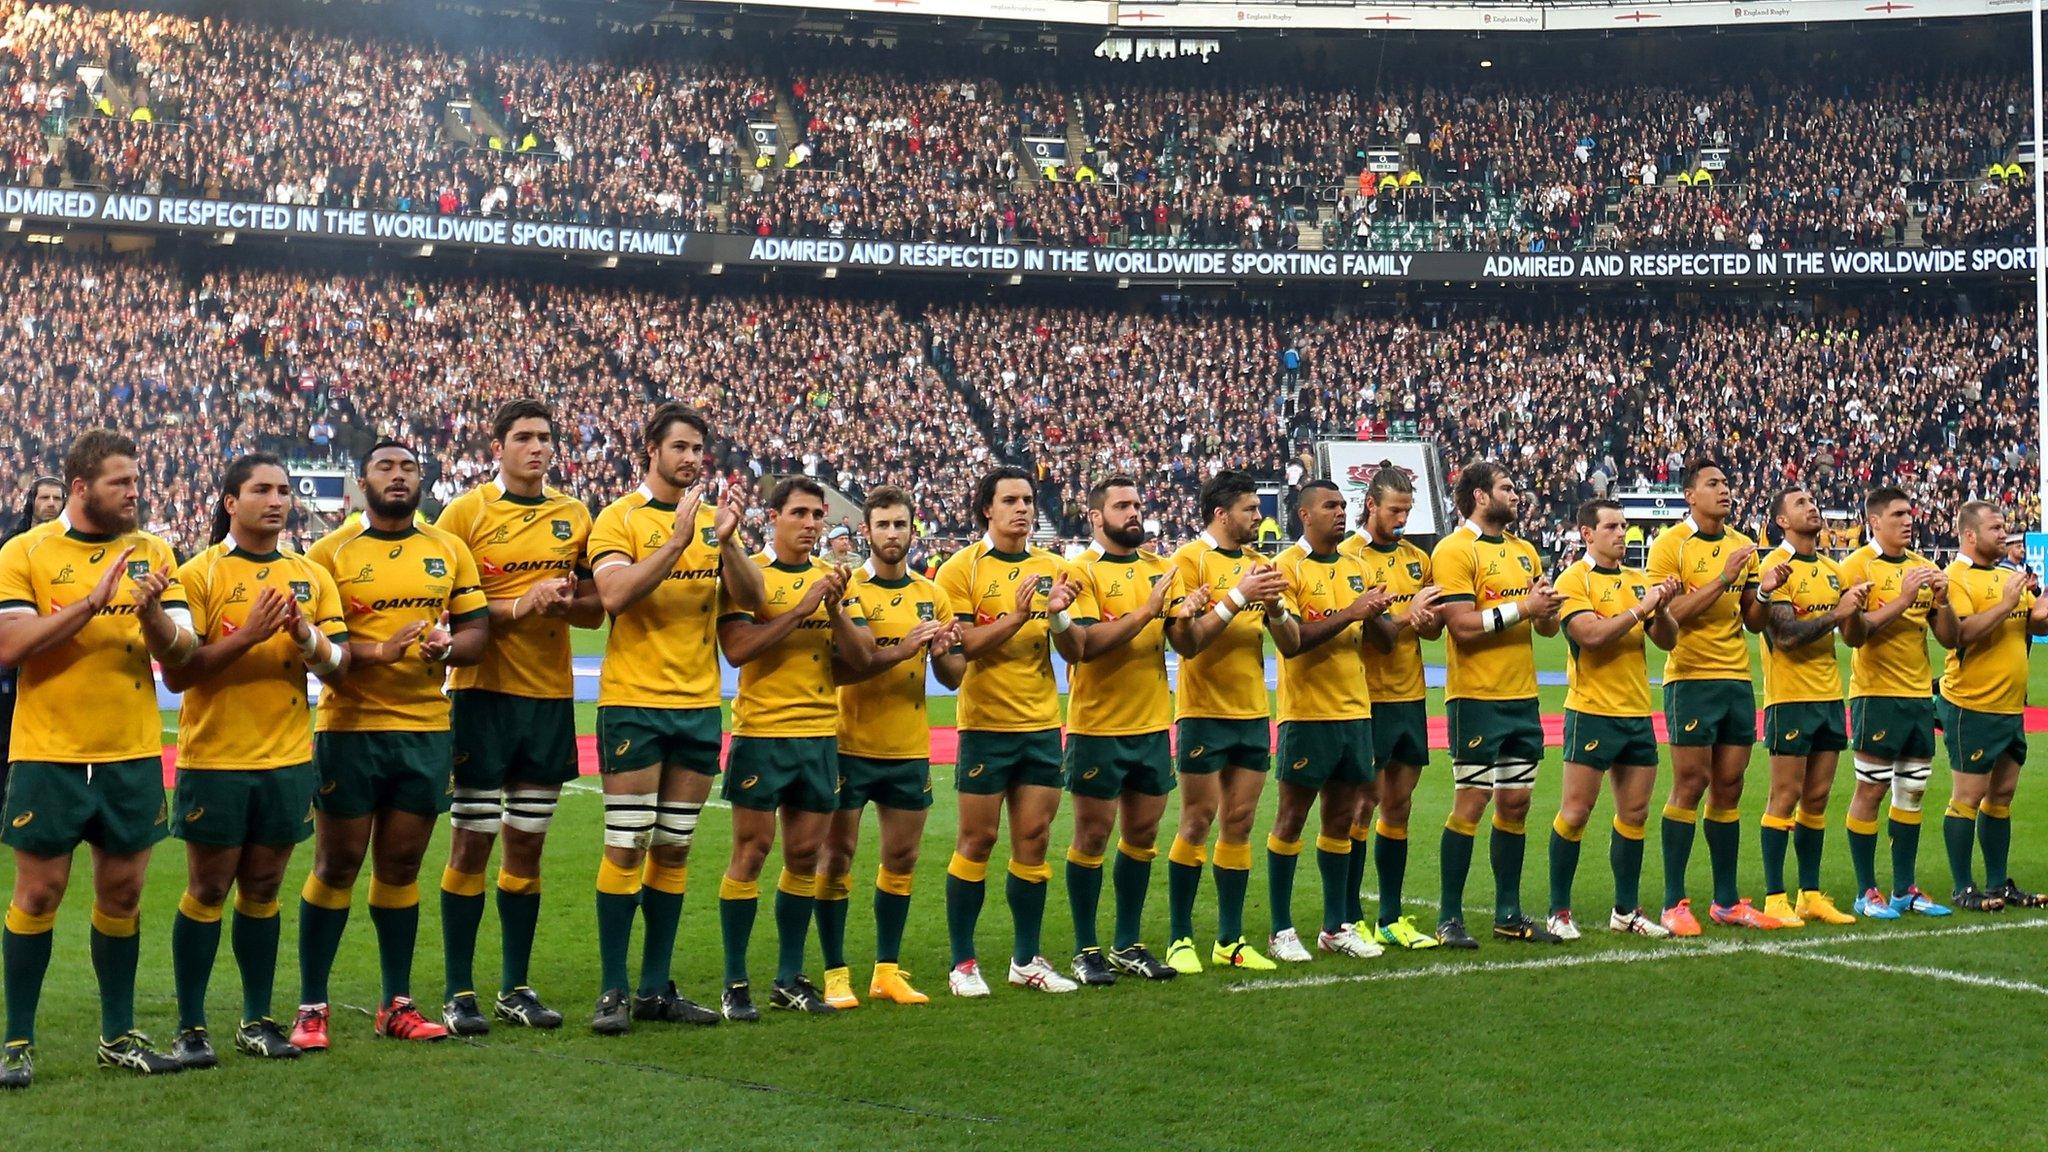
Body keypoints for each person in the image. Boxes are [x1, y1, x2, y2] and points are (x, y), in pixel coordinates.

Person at [0, 430, 198, 1086]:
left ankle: (117, 1035)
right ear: (81, 487)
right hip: (48, 753)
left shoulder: (156, 552)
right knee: (39, 891)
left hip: (132, 752)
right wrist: (90, 602)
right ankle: (16, 1041)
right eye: (121, 482)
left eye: (136, 481)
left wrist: (152, 621)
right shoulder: (25, 551)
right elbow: (11, 646)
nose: (135, 492)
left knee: (124, 892)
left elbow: (182, 660)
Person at [292, 440, 489, 1050]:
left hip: (425, 728)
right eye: (385, 467)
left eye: (408, 467)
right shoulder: (329, 554)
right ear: (362, 481)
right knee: (336, 864)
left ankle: (395, 1004)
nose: (398, 477)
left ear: (421, 479)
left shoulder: (448, 550)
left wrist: (448, 649)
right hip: (350, 731)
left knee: (401, 867)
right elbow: (327, 658)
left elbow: (477, 631)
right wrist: (382, 652)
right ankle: (312, 1006)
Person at [161, 455, 349, 1066]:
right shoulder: (198, 574)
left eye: (284, 490)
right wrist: (247, 635)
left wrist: (302, 636)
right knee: (208, 887)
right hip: (216, 758)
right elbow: (180, 673)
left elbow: (338, 667)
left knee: (264, 887)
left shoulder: (309, 574)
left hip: (289, 757)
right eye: (261, 490)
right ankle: (191, 1027)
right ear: (229, 502)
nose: (276, 500)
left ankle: (256, 1019)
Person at [586, 403, 760, 1034]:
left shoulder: (714, 523)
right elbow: (614, 595)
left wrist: (729, 542)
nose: (691, 459)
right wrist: (678, 542)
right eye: (679, 447)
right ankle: (612, 989)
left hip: (696, 707)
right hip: (634, 701)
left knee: (674, 848)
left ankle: (656, 989)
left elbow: (754, 601)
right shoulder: (618, 518)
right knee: (628, 844)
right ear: (650, 450)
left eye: (697, 450)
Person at [433, 400, 603, 1035]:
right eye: (524, 438)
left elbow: (593, 612)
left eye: (545, 437)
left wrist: (559, 606)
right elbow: (452, 614)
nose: (537, 448)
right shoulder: (465, 514)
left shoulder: (574, 516)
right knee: (472, 841)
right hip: (481, 695)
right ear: (496, 447)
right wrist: (516, 607)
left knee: (527, 845)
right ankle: (458, 990)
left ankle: (515, 986)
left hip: (549, 699)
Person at [715, 477, 880, 1018]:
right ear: (774, 517)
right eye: (800, 513)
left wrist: (830, 609)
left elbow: (862, 657)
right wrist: (801, 607)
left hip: (819, 736)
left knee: (804, 857)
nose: (811, 524)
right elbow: (738, 650)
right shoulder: (747, 576)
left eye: (817, 515)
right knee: (751, 853)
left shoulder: (833, 581)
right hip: (762, 733)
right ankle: (736, 982)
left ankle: (789, 976)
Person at [933, 466, 1093, 996]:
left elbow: (1076, 652)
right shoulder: (960, 569)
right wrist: (1019, 615)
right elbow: (959, 652)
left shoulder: (1054, 566)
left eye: (1027, 500)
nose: (1023, 509)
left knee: (1034, 840)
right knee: (976, 840)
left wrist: (1062, 619)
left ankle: (1026, 959)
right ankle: (963, 964)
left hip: (1042, 724)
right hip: (985, 726)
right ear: (987, 509)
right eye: (1010, 501)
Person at [815, 486, 964, 1007]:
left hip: (907, 746)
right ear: (868, 532)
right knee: (837, 857)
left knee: (901, 858)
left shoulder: (933, 594)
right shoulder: (848, 591)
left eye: (901, 524)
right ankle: (836, 973)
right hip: (849, 743)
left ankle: (887, 970)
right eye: (883, 525)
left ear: (911, 529)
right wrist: (903, 647)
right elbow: (856, 660)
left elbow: (953, 677)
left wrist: (944, 651)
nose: (893, 534)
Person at [1061, 476, 1202, 985]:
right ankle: (1084, 947)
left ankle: (1127, 942)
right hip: (1098, 724)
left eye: (1138, 503)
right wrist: (1148, 610)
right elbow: (1086, 643)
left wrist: (1187, 615)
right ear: (1096, 516)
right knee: (1093, 835)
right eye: (1122, 505)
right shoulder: (1080, 571)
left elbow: (1185, 644)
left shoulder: (1164, 569)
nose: (1134, 512)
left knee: (1141, 836)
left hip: (1149, 723)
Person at [1159, 471, 1298, 973]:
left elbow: (1290, 645)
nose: (1258, 517)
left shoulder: (1261, 566)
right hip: (1202, 712)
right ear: (1221, 514)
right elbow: (1188, 642)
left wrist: (1278, 610)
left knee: (1238, 823)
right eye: (1249, 509)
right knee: (1197, 820)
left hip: (1251, 712)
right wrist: (1237, 596)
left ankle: (1230, 939)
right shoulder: (1187, 561)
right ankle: (1179, 938)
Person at [1431, 461, 1561, 948]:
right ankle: (1448, 917)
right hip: (1476, 697)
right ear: (1480, 497)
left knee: (1517, 802)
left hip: (1522, 696)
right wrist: (1524, 607)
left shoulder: (1526, 552)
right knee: (1472, 800)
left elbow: (1544, 626)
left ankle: (1508, 912)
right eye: (1507, 488)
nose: (1517, 494)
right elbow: (1462, 627)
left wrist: (1545, 608)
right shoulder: (1453, 551)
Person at [1644, 461, 1774, 934]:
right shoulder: (1668, 546)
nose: (1724, 490)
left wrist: (1764, 592)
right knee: (1691, 783)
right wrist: (1722, 578)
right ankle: (1673, 902)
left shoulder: (1743, 545)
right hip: (1691, 678)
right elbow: (1667, 617)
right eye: (1713, 484)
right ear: (1689, 496)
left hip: (1737, 679)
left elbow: (1752, 619)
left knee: (1730, 785)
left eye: (1726, 483)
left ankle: (1724, 900)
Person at [1266, 480, 1391, 962]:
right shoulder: (1285, 568)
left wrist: (1379, 612)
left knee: (1340, 819)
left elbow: (1382, 640)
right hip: (1307, 714)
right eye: (1330, 506)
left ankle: (1335, 925)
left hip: (1355, 712)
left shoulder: (1358, 567)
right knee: (1292, 817)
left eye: (1343, 505)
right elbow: (1292, 641)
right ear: (1304, 515)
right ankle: (1280, 929)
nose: (1341, 513)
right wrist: (1352, 612)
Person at [1546, 499, 1679, 940]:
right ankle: (1558, 911)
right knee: (1577, 811)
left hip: (1637, 711)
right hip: (1591, 711)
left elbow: (1667, 640)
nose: (1622, 533)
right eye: (1611, 527)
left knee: (1635, 813)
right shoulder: (1573, 579)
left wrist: (1661, 608)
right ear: (1587, 534)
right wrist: (1643, 609)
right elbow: (1592, 636)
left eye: (1624, 526)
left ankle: (1626, 910)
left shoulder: (1639, 581)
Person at [1753, 486, 1868, 928]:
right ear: (1782, 520)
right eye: (1799, 503)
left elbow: (1851, 635)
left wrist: (1854, 611)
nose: (1812, 506)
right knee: (1784, 796)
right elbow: (1784, 636)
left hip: (1827, 696)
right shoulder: (1773, 569)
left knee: (1816, 799)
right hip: (1789, 698)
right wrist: (1840, 613)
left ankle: (1810, 894)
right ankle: (1774, 897)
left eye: (1812, 501)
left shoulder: (1834, 569)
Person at [1339, 464, 1443, 951]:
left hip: (1410, 695)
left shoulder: (1417, 558)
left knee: (1399, 806)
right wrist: (1406, 615)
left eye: (1407, 509)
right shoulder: (1347, 557)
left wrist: (1424, 620)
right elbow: (1370, 635)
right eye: (1394, 510)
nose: (1402, 518)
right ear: (1371, 506)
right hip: (1366, 699)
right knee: (1363, 805)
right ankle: (1350, 916)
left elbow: (1432, 629)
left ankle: (1390, 917)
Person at [1836, 487, 1950, 919]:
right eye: (1898, 514)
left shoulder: (1924, 567)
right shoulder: (1855, 567)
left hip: (1919, 696)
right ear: (1875, 521)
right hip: (1875, 694)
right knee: (1872, 787)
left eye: (1910, 513)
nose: (1908, 520)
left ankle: (1905, 889)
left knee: (1913, 790)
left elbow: (1949, 637)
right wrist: (1903, 599)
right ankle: (1867, 892)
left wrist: (1942, 601)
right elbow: (1854, 635)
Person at [1932, 501, 2048, 911]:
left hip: (2010, 707)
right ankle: (1964, 887)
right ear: (1970, 535)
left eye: (2005, 527)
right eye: (1996, 528)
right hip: (1972, 706)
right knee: (1967, 796)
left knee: (2001, 796)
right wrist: (2005, 603)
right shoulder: (1955, 578)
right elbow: (1960, 634)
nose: (2005, 534)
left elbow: (2030, 626)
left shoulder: (2007, 575)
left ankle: (1998, 885)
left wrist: (2042, 605)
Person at [0, 477, 63, 804]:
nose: (51, 504)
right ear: (32, 502)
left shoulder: (70, 548)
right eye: (45, 497)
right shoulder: (12, 545)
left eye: (56, 498)